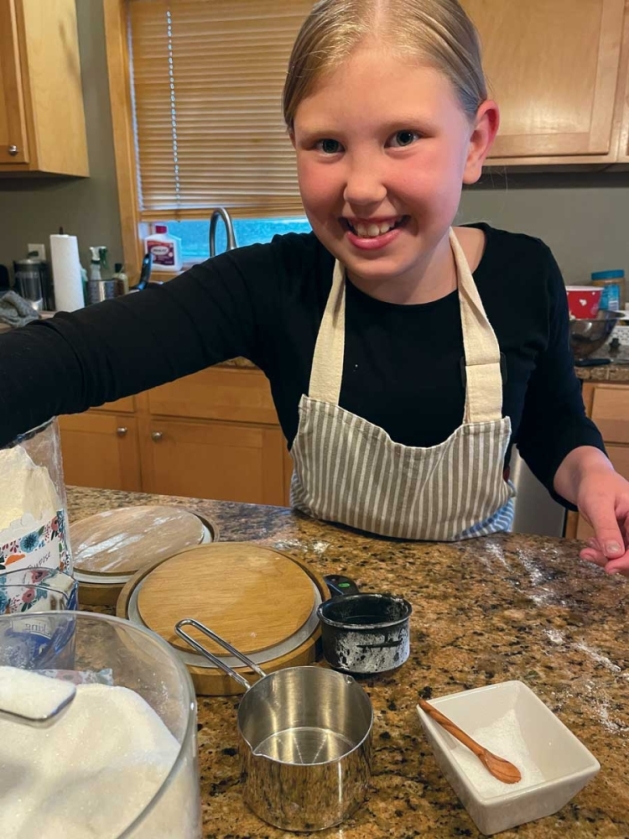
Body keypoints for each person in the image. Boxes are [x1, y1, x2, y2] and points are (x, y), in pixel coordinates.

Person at [0, 0, 627, 572]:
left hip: (476, 599)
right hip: (320, 602)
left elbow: (552, 423)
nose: (360, 187)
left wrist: (593, 474)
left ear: (475, 141)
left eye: (403, 137)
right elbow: (75, 357)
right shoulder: (274, 284)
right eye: (327, 144)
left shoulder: (523, 275)